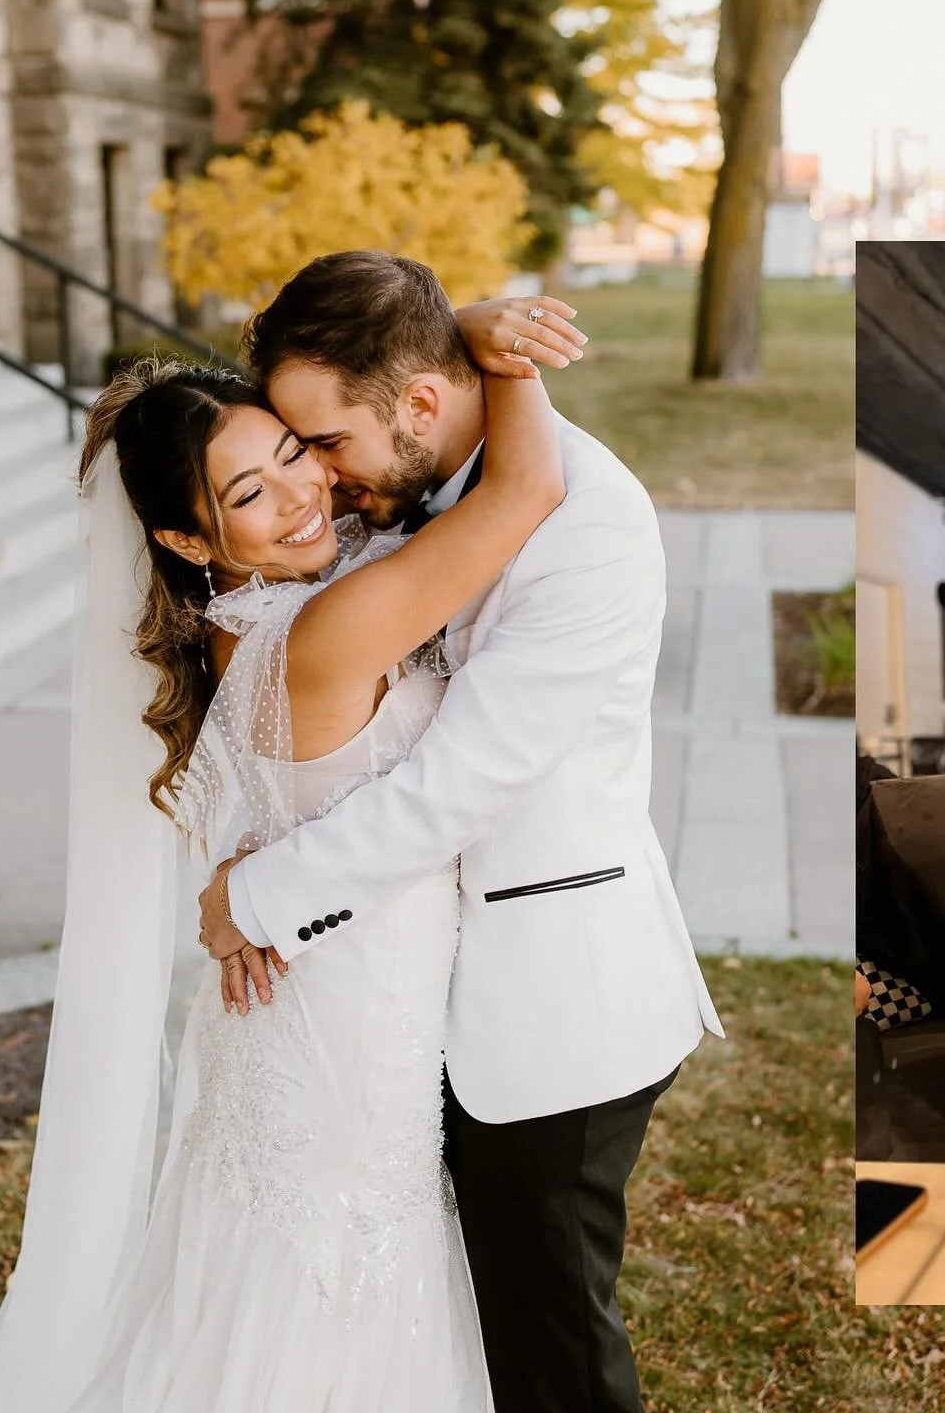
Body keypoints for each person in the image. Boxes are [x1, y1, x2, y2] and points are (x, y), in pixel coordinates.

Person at [0, 285, 584, 1413]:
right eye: (250, 491)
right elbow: (527, 488)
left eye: (295, 452)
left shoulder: (279, 606)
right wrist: (492, 350)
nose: (301, 494)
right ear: (188, 541)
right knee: (314, 1299)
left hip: (312, 1007)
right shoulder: (327, 629)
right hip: (343, 1034)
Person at [198, 251, 722, 1413]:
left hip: (554, 1003)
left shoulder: (586, 522)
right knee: (452, 1337)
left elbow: (460, 786)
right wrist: (473, 328)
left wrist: (262, 892)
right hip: (414, 1000)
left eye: (326, 446)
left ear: (422, 404)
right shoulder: (412, 470)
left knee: (553, 1355)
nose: (320, 484)